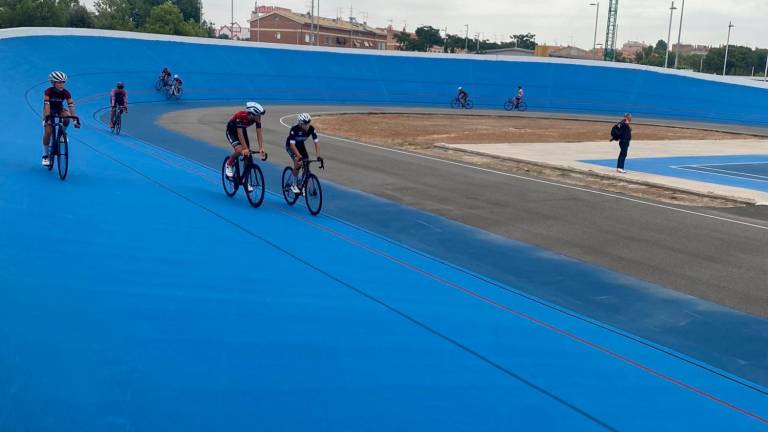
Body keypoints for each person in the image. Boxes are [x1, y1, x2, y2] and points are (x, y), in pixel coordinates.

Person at [42, 71, 80, 167]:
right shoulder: (48, 92)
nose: (61, 84)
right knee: (48, 132)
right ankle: (45, 155)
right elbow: (46, 106)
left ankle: (62, 133)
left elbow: (71, 106)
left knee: (67, 118)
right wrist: (47, 118)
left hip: (59, 109)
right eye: (59, 82)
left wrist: (74, 119)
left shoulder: (66, 93)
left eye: (63, 82)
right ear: (53, 83)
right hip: (49, 110)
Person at [224, 102, 266, 180]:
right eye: (258, 115)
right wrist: (245, 148)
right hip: (232, 132)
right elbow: (239, 134)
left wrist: (261, 148)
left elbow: (259, 132)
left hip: (242, 130)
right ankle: (229, 164)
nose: (260, 117)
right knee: (240, 150)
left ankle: (245, 180)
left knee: (248, 155)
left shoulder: (257, 119)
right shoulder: (240, 116)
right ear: (252, 114)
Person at [285, 113, 321, 194]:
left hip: (300, 145)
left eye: (308, 123)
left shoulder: (311, 129)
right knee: (298, 163)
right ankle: (293, 185)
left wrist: (318, 155)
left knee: (306, 164)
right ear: (300, 124)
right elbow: (292, 145)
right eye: (305, 124)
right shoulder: (294, 129)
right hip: (291, 146)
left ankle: (302, 185)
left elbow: (316, 142)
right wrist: (299, 156)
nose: (307, 126)